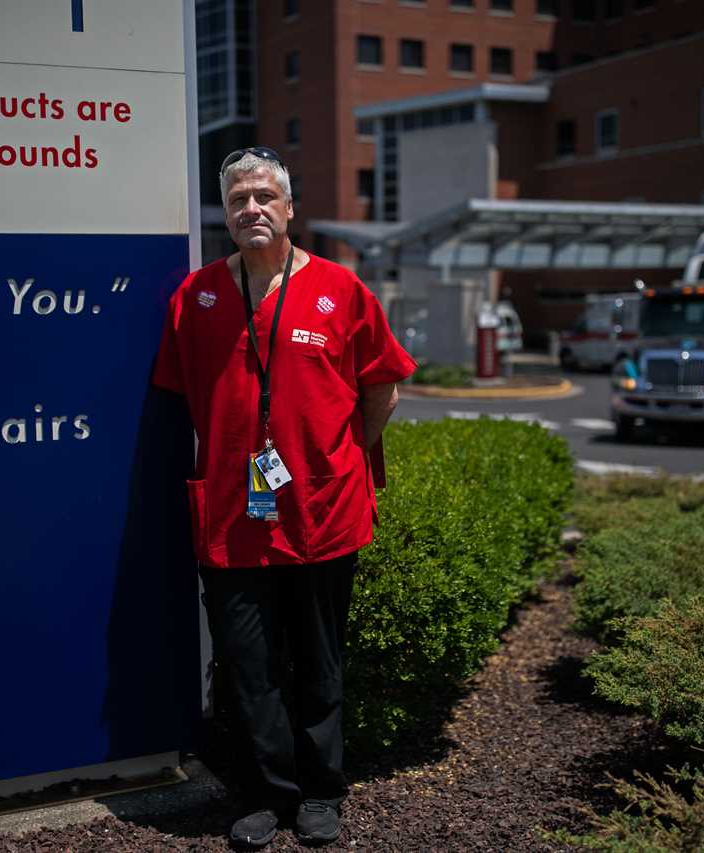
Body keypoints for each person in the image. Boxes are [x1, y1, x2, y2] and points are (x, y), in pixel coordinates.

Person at [151, 146, 415, 847]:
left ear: (290, 207)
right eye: (238, 200)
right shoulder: (198, 296)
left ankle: (323, 790)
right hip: (234, 517)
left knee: (319, 657)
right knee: (249, 663)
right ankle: (266, 791)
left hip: (323, 511)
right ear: (226, 214)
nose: (252, 209)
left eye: (265, 196)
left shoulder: (341, 290)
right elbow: (177, 398)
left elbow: (382, 387)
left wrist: (338, 455)